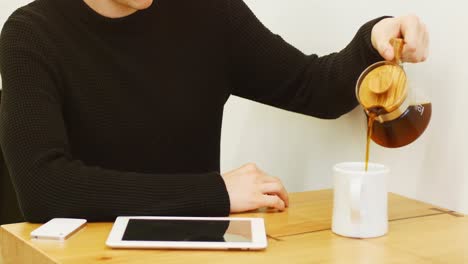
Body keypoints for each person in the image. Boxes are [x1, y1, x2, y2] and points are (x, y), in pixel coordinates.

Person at [0, 0, 429, 223]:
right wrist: (215, 193)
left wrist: (374, 38)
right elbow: (45, 189)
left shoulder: (208, 14)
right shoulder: (30, 35)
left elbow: (312, 88)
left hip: (194, 248)